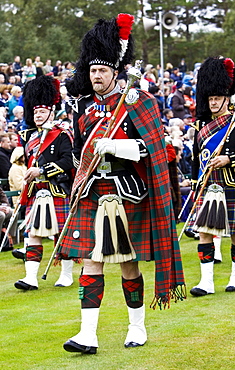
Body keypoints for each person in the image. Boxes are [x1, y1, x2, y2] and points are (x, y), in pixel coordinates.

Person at [58, 13, 185, 355]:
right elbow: (79, 152)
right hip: (93, 194)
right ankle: (88, 335)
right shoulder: (84, 111)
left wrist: (115, 146)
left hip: (127, 193)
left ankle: (137, 327)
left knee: (128, 265)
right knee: (90, 261)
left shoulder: (138, 102)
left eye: (101, 71)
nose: (95, 76)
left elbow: (153, 149)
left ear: (115, 70)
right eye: (91, 71)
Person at [189, 56, 235, 297]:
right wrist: (195, 186)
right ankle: (206, 282)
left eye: (217, 98)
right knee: (205, 232)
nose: (213, 103)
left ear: (227, 98)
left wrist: (228, 158)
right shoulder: (200, 127)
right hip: (210, 185)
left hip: (234, 183)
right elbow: (196, 159)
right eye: (210, 98)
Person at [14, 75, 75, 291]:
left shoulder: (62, 134)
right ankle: (31, 278)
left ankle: (66, 275)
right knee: (33, 234)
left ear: (51, 111)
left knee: (62, 235)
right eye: (35, 112)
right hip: (35, 191)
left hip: (56, 189)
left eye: (42, 112)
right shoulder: (29, 137)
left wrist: (41, 170)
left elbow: (69, 160)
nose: (37, 115)